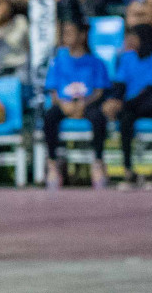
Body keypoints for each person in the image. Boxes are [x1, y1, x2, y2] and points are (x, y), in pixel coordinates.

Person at [42, 16, 111, 190]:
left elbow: (99, 91)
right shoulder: (58, 62)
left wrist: (84, 104)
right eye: (64, 33)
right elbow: (53, 90)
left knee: (98, 118)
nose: (66, 36)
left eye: (70, 33)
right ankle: (52, 163)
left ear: (82, 36)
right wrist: (63, 104)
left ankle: (97, 162)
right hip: (64, 104)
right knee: (50, 116)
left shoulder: (96, 63)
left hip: (86, 105)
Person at [102, 25, 152, 186]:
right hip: (131, 107)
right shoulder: (128, 58)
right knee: (126, 120)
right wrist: (114, 101)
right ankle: (128, 168)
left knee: (134, 109)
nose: (129, 40)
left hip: (150, 105)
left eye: (133, 36)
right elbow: (120, 85)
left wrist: (123, 105)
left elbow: (151, 89)